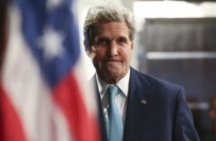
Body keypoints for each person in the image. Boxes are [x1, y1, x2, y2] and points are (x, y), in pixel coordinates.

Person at [83, 4, 200, 141]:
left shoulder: (169, 99)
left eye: (121, 41)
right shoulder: (70, 102)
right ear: (88, 47)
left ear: (132, 46)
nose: (113, 51)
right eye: (103, 41)